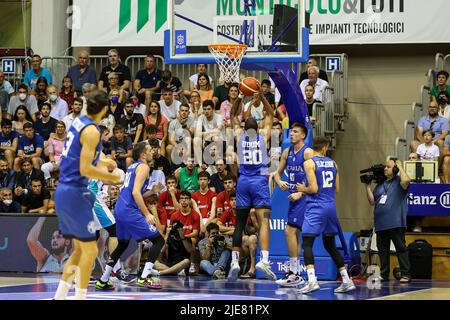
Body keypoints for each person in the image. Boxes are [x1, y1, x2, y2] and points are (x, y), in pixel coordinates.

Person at [53, 90, 121, 300]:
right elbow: (84, 168)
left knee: (79, 251)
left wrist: (104, 162)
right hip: (75, 192)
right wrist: (111, 178)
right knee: (90, 252)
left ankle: (60, 296)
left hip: (65, 191)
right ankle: (80, 297)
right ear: (104, 109)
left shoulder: (79, 122)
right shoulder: (92, 131)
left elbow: (81, 156)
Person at [96, 142, 165, 290]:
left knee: (122, 244)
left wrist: (152, 191)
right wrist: (147, 214)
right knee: (158, 240)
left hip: (120, 208)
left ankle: (103, 279)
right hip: (128, 210)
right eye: (149, 150)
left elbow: (136, 191)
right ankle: (144, 277)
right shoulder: (144, 167)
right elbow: (135, 193)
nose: (153, 151)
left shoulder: (132, 167)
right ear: (143, 155)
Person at [296, 136, 356, 294]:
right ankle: (346, 280)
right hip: (331, 206)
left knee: (307, 243)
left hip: (316, 207)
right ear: (325, 147)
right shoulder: (333, 163)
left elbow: (314, 189)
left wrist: (303, 189)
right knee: (329, 245)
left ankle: (312, 281)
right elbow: (337, 188)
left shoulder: (309, 163)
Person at [228, 89, 276, 281]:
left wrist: (241, 96)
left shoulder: (239, 137)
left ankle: (234, 261)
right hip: (258, 182)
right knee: (264, 221)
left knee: (239, 223)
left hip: (243, 182)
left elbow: (232, 114)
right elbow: (271, 114)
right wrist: (262, 96)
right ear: (257, 128)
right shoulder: (263, 137)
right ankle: (264, 260)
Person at [274, 123, 313, 287]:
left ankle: (295, 273)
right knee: (294, 234)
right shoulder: (287, 152)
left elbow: (315, 179)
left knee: (289, 231)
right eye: (291, 132)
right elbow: (276, 173)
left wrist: (301, 192)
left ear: (303, 136)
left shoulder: (307, 152)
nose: (292, 134)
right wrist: (280, 181)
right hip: (294, 198)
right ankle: (295, 273)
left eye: (295, 132)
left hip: (305, 198)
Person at [364, 157, 412, 284]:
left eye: (388, 167)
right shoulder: (380, 185)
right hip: (381, 223)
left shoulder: (399, 182)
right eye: (385, 166)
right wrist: (367, 186)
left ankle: (406, 274)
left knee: (400, 248)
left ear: (395, 169)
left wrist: (400, 166)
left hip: (396, 222)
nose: (385, 168)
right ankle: (384, 274)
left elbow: (407, 180)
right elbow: (371, 201)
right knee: (382, 250)